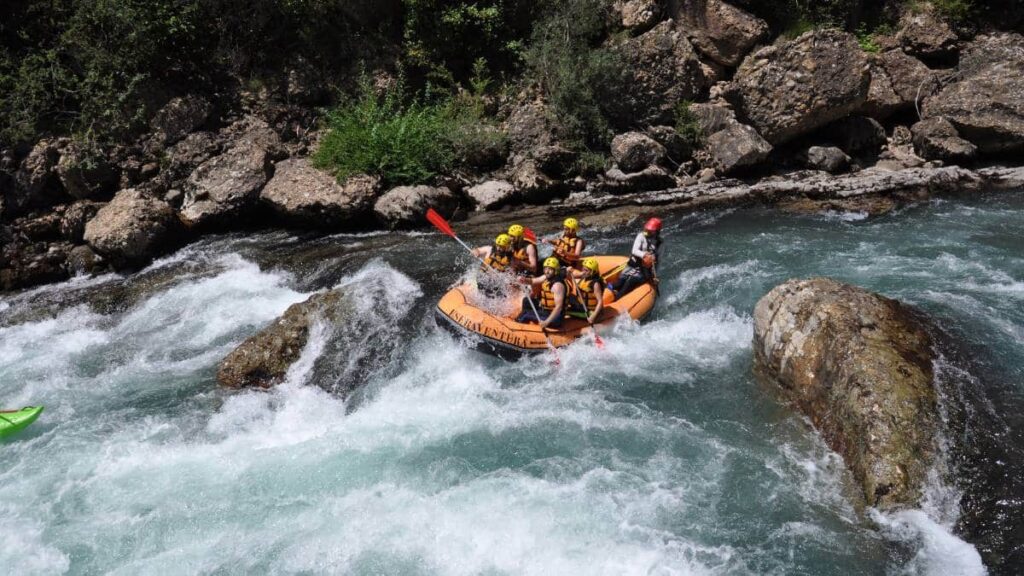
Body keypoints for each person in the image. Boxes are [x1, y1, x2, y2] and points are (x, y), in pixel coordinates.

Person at [608, 217, 662, 298]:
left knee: (629, 284)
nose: (648, 231)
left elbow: (658, 260)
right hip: (633, 265)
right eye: (648, 229)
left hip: (643, 271)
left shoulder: (660, 242)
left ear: (657, 231)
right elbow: (634, 250)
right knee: (619, 283)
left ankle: (618, 297)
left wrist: (655, 276)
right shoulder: (641, 236)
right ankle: (609, 291)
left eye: (651, 230)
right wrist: (645, 255)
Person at [515, 257, 567, 329]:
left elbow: (558, 308)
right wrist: (524, 280)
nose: (547, 271)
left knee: (525, 314)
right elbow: (533, 281)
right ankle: (528, 321)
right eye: (545, 268)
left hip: (555, 318)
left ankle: (519, 326)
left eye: (550, 269)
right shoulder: (546, 277)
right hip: (545, 310)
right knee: (526, 301)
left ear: (556, 271)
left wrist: (547, 322)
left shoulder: (557, 286)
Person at [567, 257, 605, 324]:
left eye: (586, 270)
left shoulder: (595, 284)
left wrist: (593, 317)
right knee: (566, 295)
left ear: (592, 272)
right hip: (581, 304)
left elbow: (600, 301)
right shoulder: (585, 275)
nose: (584, 271)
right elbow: (572, 274)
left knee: (564, 311)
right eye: (583, 269)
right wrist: (568, 271)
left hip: (589, 311)